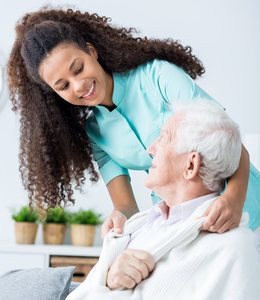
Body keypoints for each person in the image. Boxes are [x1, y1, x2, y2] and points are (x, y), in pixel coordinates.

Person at [7, 7, 260, 236]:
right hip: (184, 222)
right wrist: (119, 217)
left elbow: (229, 139)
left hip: (243, 197)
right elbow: (126, 207)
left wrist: (233, 200)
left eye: (79, 68)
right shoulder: (95, 133)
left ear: (91, 51)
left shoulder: (156, 75)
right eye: (63, 85)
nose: (79, 85)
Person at [66, 100, 260, 300]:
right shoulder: (135, 228)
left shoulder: (233, 246)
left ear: (190, 165)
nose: (150, 148)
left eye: (164, 138)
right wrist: (110, 279)